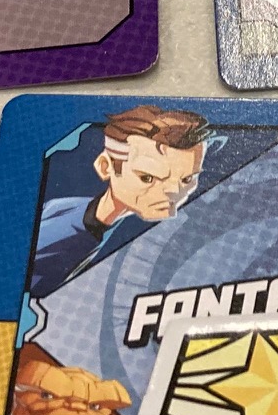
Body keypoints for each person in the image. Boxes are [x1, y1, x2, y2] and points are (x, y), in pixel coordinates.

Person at [30, 106, 210, 295]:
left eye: (186, 179)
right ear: (105, 167)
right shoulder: (55, 224)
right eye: (147, 177)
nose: (174, 191)